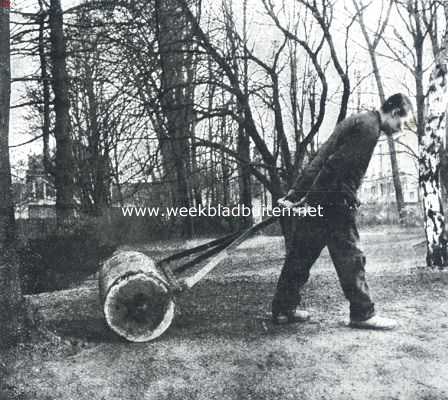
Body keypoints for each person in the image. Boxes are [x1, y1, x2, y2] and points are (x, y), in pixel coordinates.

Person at [273, 93, 413, 330]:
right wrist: (311, 199)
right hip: (335, 202)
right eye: (401, 122)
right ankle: (363, 313)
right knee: (351, 258)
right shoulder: (369, 129)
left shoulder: (358, 121)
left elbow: (319, 159)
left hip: (321, 200)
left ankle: (283, 309)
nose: (400, 128)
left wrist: (297, 195)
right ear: (395, 113)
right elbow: (335, 166)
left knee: (301, 254)